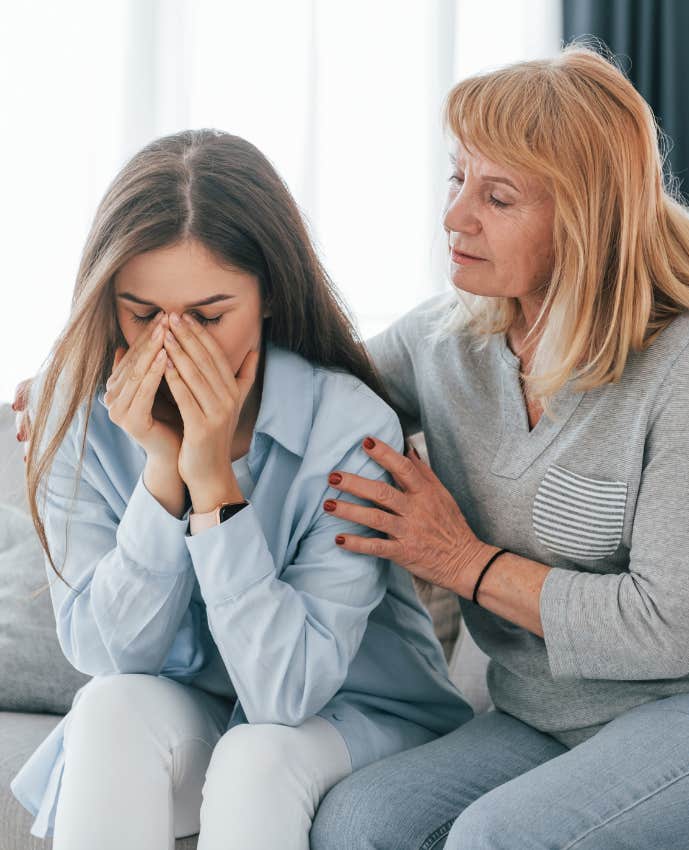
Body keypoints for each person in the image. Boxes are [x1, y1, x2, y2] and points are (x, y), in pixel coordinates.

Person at [302, 43, 689, 850]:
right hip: (550, 714)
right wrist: (98, 370)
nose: (455, 216)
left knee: (501, 838)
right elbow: (302, 388)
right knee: (358, 821)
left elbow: (668, 629)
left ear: (584, 219)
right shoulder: (443, 340)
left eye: (498, 196)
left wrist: (461, 560)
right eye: (457, 179)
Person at [8, 128, 472, 850]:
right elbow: (110, 656)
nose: (172, 346)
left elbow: (284, 695)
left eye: (208, 316)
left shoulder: (346, 428)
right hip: (196, 713)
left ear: (269, 300)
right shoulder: (74, 412)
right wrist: (164, 477)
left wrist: (213, 484)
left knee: (258, 756)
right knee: (108, 709)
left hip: (350, 717)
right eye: (142, 314)